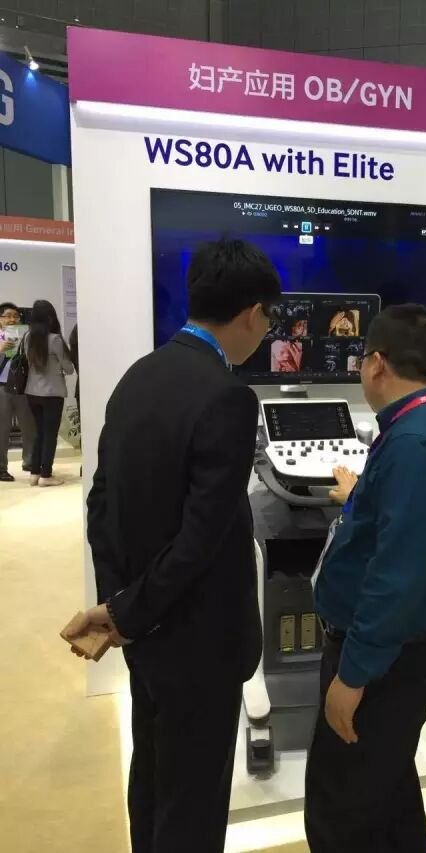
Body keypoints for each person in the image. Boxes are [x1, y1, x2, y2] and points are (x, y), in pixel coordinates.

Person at [64, 239, 281, 853]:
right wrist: (128, 612)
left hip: (147, 635)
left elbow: (101, 502)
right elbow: (202, 539)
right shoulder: (229, 396)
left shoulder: (138, 376)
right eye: (268, 319)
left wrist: (121, 606)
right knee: (193, 803)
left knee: (154, 779)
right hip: (200, 643)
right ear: (251, 314)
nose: (266, 331)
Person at [305, 304, 426, 853]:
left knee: (341, 808)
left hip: (383, 658)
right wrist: (360, 495)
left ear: (377, 363)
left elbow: (396, 575)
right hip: (403, 649)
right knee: (387, 793)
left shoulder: (411, 444)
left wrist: (353, 675)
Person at [25, 300, 75, 487]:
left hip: (32, 392)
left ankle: (34, 473)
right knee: (50, 434)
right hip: (52, 394)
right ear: (50, 317)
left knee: (39, 433)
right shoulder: (55, 340)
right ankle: (46, 475)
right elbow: (69, 368)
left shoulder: (28, 338)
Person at [0, 302, 35, 482]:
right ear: (0, 320)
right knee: (2, 430)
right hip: (2, 388)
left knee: (29, 427)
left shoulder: (26, 336)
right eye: (8, 316)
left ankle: (30, 462)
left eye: (16, 316)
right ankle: (1, 468)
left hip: (23, 387)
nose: (12, 319)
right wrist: (1, 350)